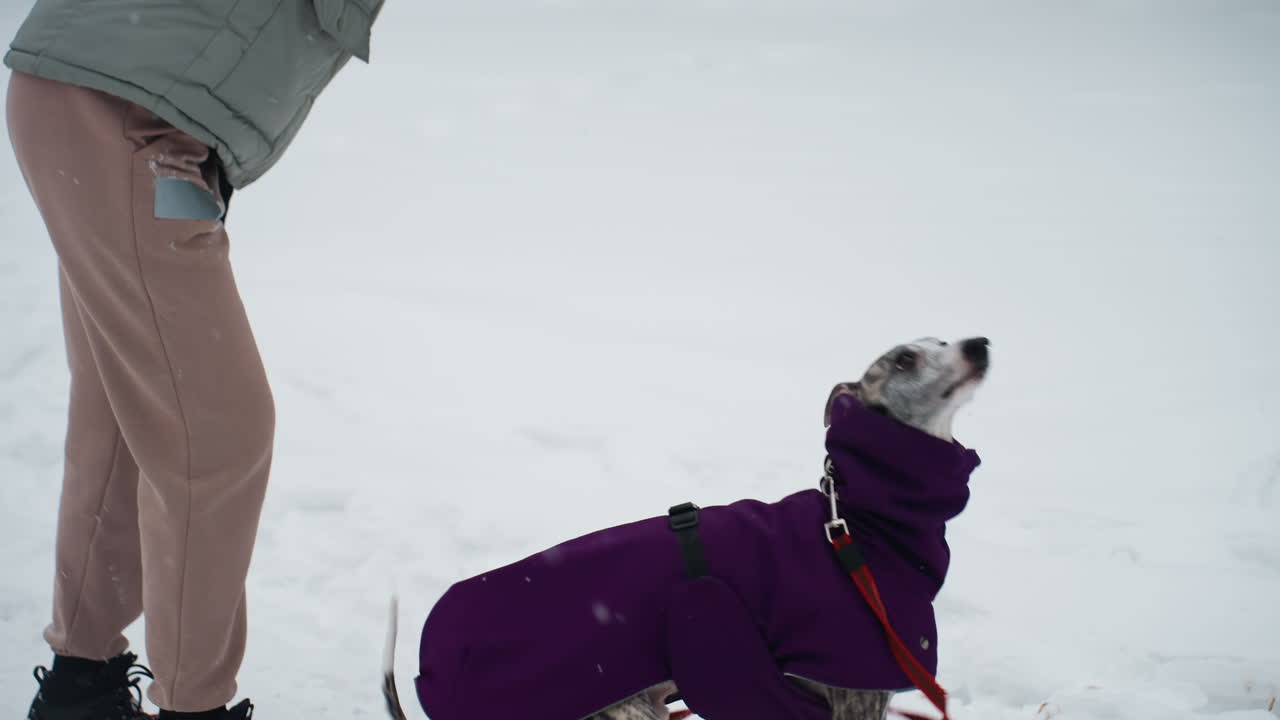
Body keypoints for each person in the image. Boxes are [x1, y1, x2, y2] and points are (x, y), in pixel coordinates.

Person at [4, 1, 385, 718]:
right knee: (217, 433)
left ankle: (80, 687)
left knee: (124, 410)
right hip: (119, 119)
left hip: (110, 113)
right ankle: (192, 708)